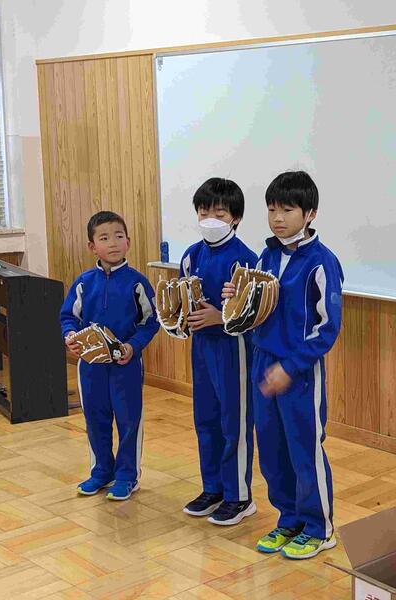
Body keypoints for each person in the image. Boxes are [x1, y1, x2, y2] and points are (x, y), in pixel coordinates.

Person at [223, 170, 343, 559]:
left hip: (300, 373)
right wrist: (236, 298)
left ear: (310, 213)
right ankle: (288, 519)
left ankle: (319, 527)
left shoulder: (322, 263)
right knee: (272, 451)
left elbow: (328, 328)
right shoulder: (267, 256)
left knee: (304, 450)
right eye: (272, 209)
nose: (277, 218)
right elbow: (256, 308)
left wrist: (291, 367)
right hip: (263, 363)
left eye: (287, 210)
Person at [61, 211, 159, 501]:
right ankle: (102, 471)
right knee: (95, 418)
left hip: (126, 365)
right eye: (104, 238)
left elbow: (150, 322)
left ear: (128, 241)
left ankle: (127, 476)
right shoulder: (83, 283)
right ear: (92, 246)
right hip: (90, 367)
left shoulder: (137, 283)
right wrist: (70, 336)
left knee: (128, 420)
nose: (113, 243)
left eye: (118, 236)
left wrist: (133, 346)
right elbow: (68, 317)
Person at [179, 178, 259, 526]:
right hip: (202, 349)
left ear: (235, 218)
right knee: (206, 419)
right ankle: (212, 488)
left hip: (234, 348)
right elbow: (183, 301)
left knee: (234, 423)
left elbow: (255, 313)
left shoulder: (247, 260)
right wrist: (179, 317)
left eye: (220, 213)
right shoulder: (191, 255)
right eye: (204, 212)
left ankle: (239, 495)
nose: (210, 219)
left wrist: (220, 317)